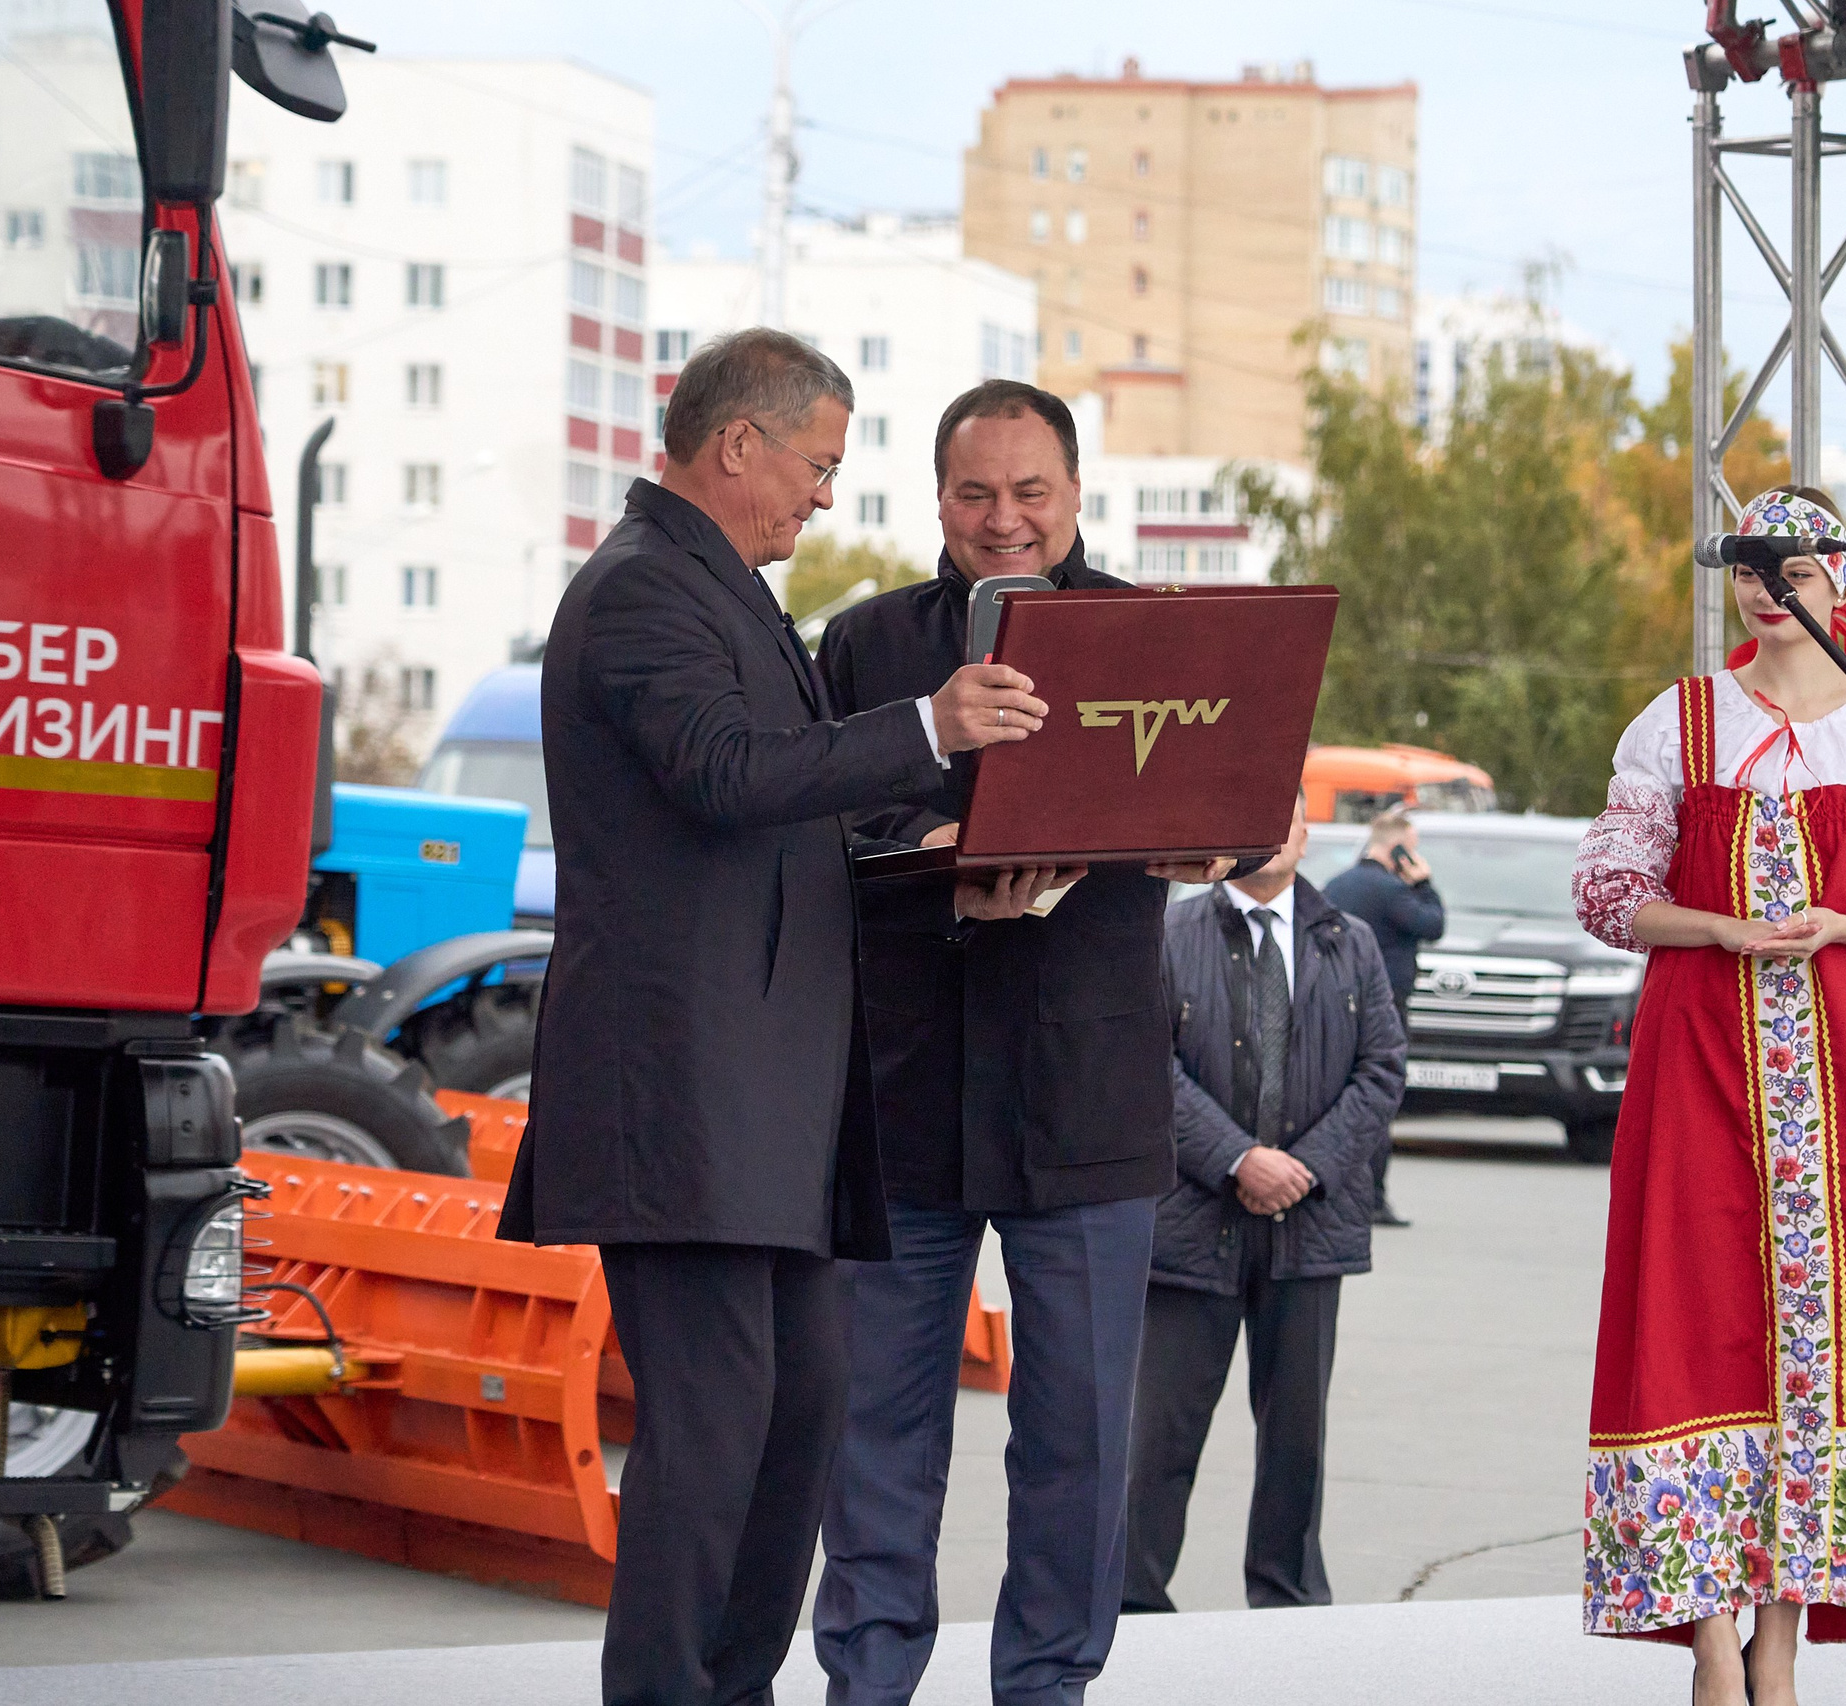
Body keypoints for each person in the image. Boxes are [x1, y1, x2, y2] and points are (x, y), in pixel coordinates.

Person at [500, 329, 1043, 1706]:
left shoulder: (722, 589)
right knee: (713, 1434)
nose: (823, 496)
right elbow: (729, 774)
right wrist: (930, 728)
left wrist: (958, 876)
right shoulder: (641, 594)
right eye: (817, 465)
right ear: (738, 444)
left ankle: (730, 1687)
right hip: (684, 1100)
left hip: (773, 1107)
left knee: (796, 1424)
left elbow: (800, 823)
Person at [812, 380, 1236, 1706]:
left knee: (1075, 1438)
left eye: (1030, 490)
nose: (1004, 518)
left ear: (1074, 493)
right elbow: (805, 835)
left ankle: (1048, 1683)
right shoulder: (866, 644)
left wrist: (1199, 837)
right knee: (877, 1434)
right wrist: (924, 859)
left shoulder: (1151, 637)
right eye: (976, 491)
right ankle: (868, 1681)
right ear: (937, 497)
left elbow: (1216, 810)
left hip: (1090, 1095)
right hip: (904, 1093)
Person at [1569, 486, 1846, 1705]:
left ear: (1839, 578)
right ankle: (1708, 1637)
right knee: (1696, 1317)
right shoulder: (1681, 720)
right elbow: (1604, 887)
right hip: (1699, 1058)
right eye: (1745, 564)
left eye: (1787, 565)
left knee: (1836, 1341)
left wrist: (1843, 920)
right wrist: (1722, 928)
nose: (1761, 584)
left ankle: (1777, 1645)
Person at [1124, 794, 1406, 1614]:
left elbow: (1383, 1069)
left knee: (1295, 1439)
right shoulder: (1169, 935)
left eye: (1291, 811)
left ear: (1307, 831)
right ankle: (1133, 1600)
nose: (1276, 828)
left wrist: (1304, 1168)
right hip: (1190, 1224)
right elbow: (1146, 1063)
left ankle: (1286, 1599)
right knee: (1159, 1437)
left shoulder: (1347, 942)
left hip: (1309, 1229)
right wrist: (1237, 1157)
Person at [1320, 807, 1444, 1227]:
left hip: (1334, 1003)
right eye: (1412, 850)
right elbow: (1433, 925)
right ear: (1397, 850)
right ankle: (1373, 1197)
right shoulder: (1394, 891)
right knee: (1378, 1094)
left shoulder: (1336, 885)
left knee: (1336, 1095)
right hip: (1385, 1005)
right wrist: (1424, 883)